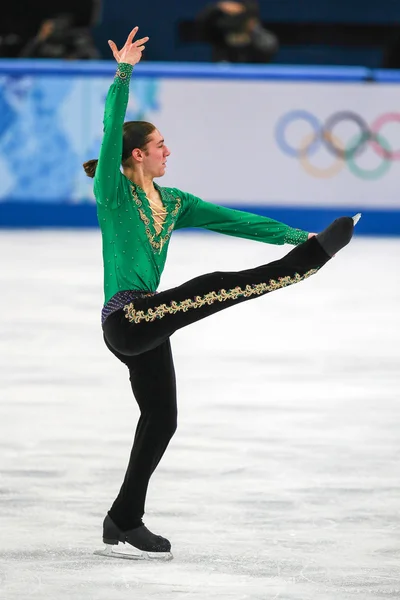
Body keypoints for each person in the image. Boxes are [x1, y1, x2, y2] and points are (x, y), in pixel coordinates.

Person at [83, 26, 359, 561]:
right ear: (137, 155)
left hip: (149, 322)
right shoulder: (113, 194)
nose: (169, 151)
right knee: (211, 287)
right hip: (127, 318)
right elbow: (110, 126)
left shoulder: (176, 201)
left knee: (162, 419)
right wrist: (124, 72)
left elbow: (235, 220)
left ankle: (123, 517)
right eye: (161, 144)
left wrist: (295, 233)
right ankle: (299, 268)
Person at [196, 1, 278, 64]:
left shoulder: (263, 40)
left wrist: (251, 32)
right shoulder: (220, 37)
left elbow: (268, 50)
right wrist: (217, 8)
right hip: (223, 82)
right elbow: (201, 25)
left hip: (253, 82)